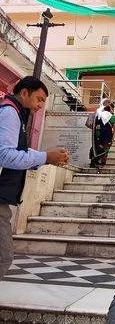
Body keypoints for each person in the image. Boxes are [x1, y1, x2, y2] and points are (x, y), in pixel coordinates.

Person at [0, 76, 69, 281]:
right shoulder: (10, 113)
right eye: (38, 99)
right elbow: (5, 155)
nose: (40, 105)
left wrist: (46, 158)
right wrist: (45, 157)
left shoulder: (15, 114)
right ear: (24, 93)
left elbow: (14, 151)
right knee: (3, 257)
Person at [90, 100, 115, 168]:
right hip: (107, 136)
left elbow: (91, 125)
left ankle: (94, 161)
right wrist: (113, 136)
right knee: (105, 149)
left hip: (97, 136)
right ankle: (102, 161)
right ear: (110, 110)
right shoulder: (112, 117)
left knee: (96, 148)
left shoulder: (98, 116)